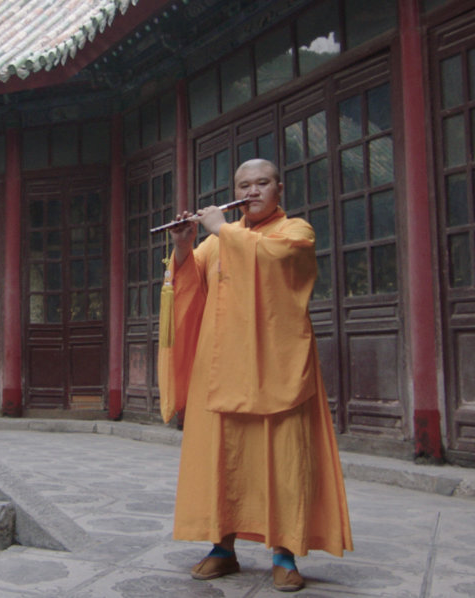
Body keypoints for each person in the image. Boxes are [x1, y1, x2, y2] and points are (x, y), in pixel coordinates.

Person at [158, 158, 351, 592]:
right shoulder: (218, 240)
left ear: (279, 188)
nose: (252, 191)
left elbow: (278, 261)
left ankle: (284, 555)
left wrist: (221, 229)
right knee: (223, 459)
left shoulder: (295, 231)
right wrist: (185, 246)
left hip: (276, 369)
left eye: (262, 183)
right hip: (220, 368)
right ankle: (222, 549)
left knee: (281, 460)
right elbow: (188, 285)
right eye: (244, 184)